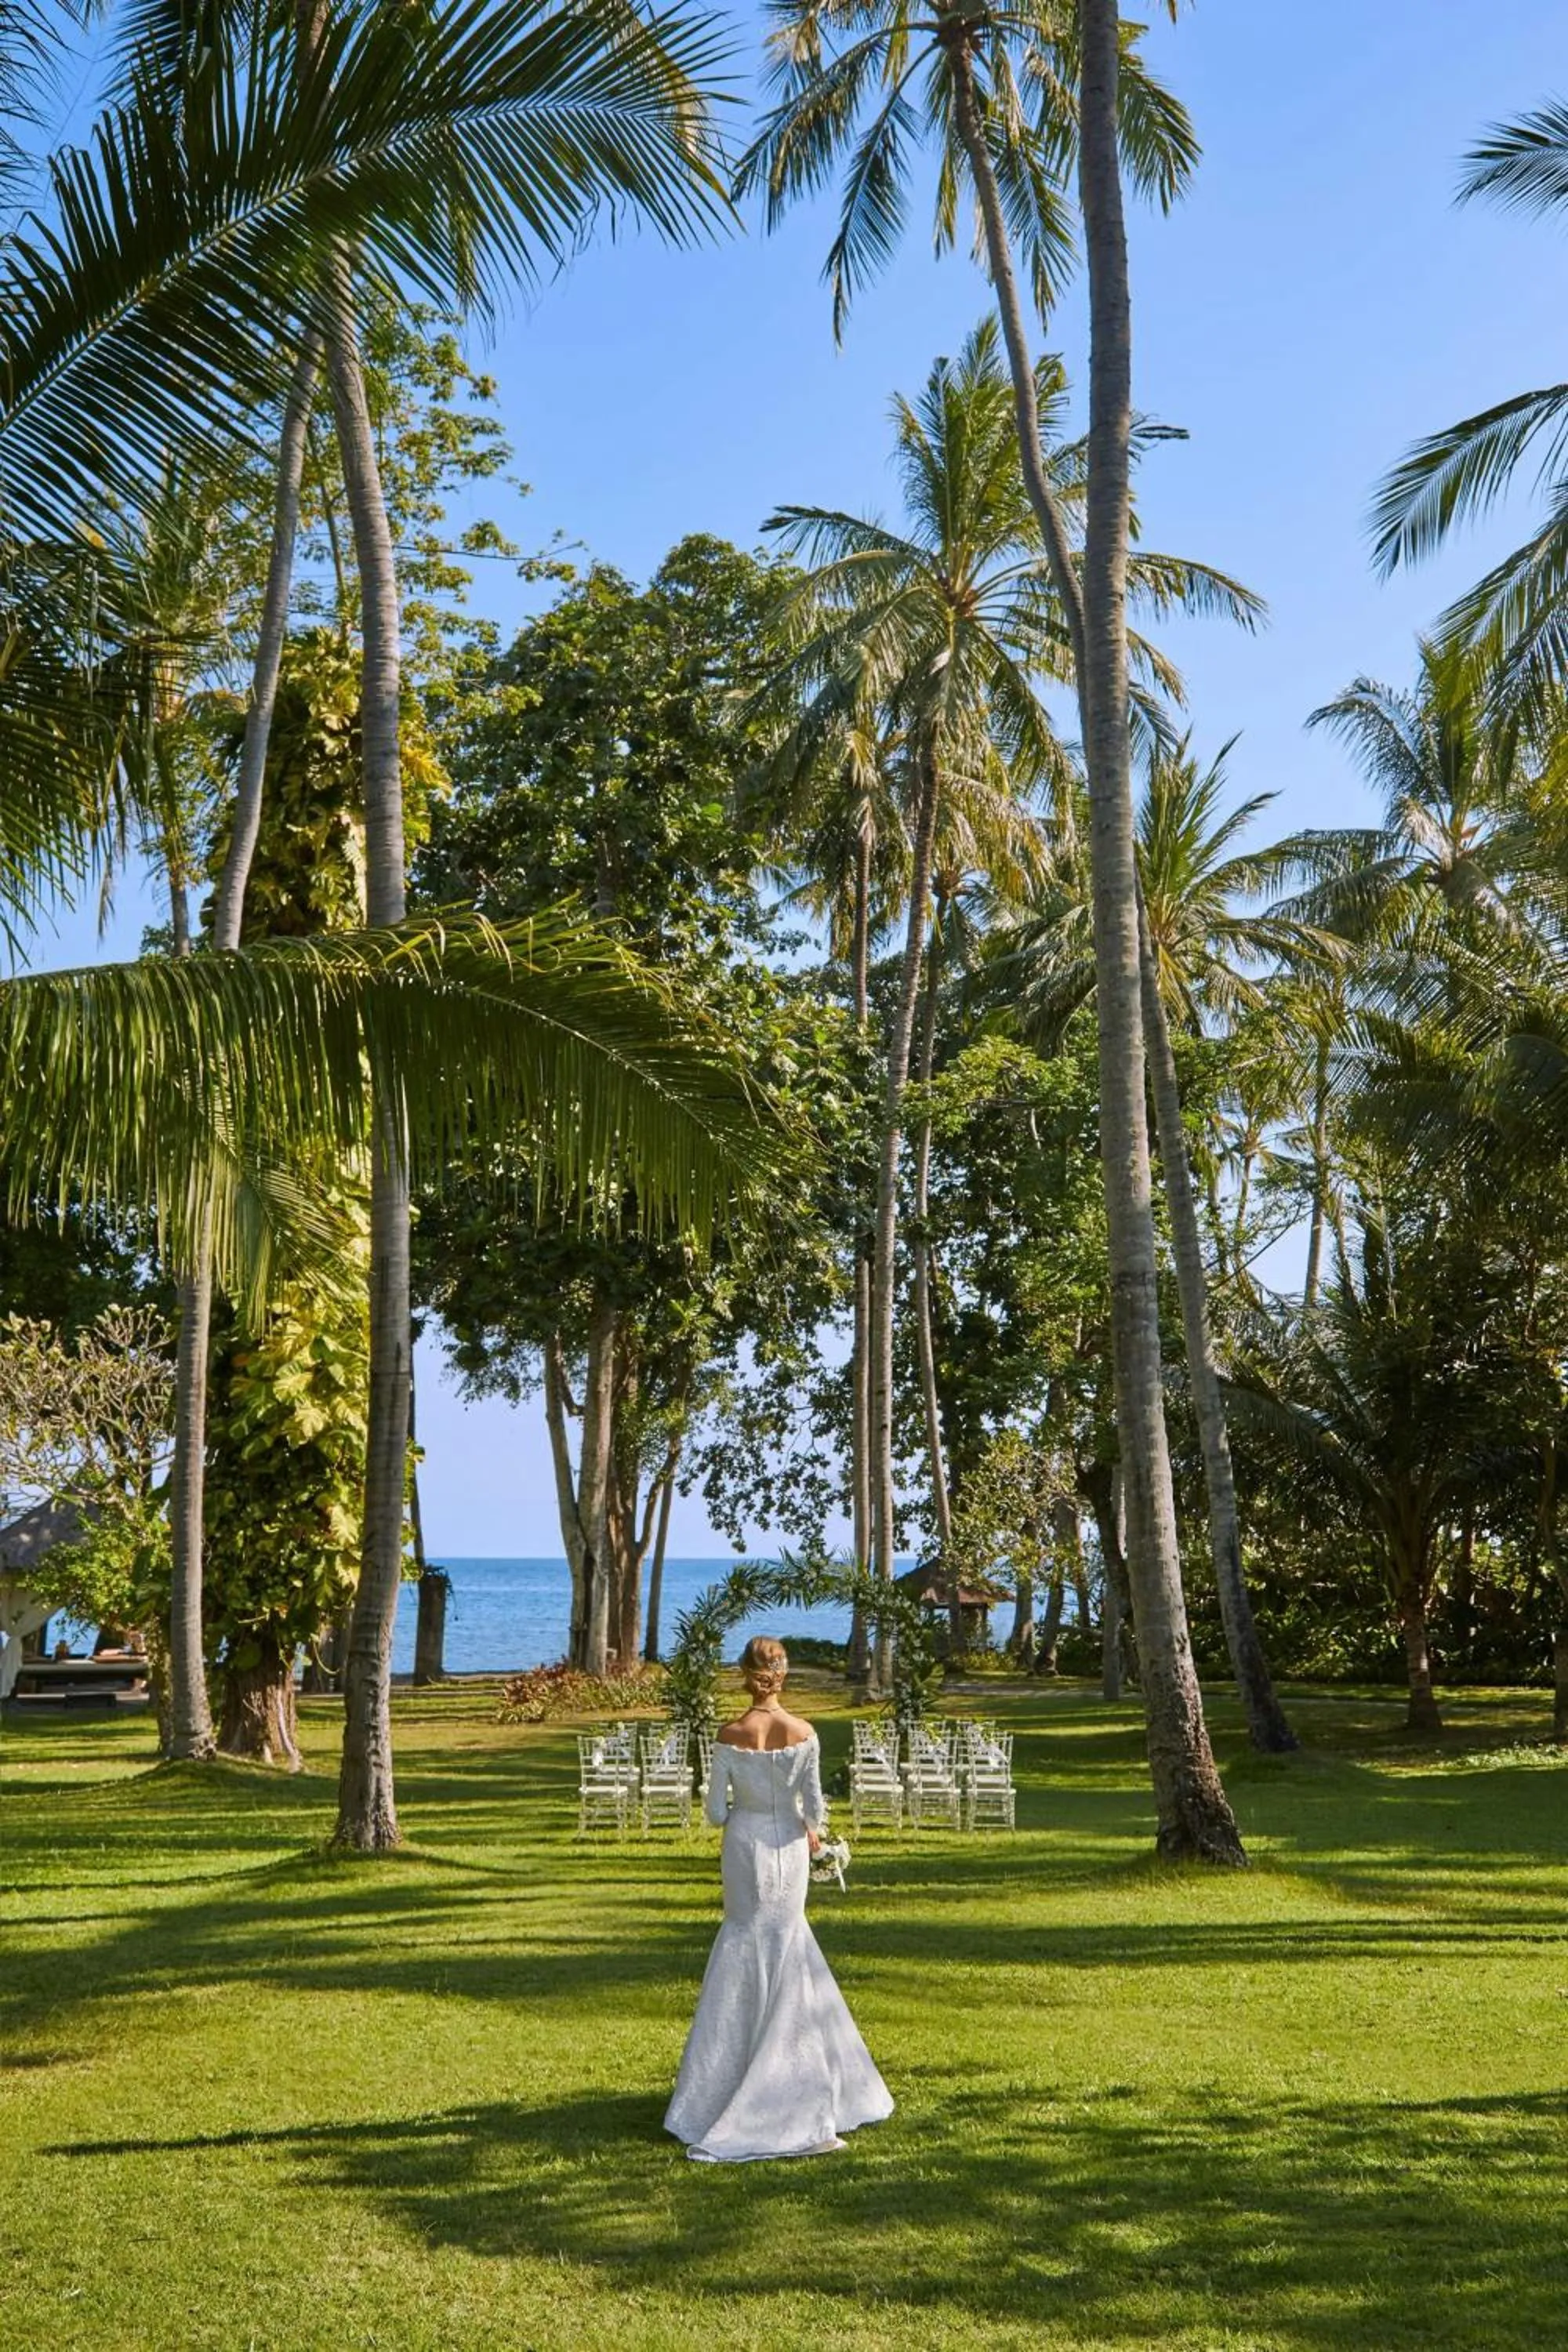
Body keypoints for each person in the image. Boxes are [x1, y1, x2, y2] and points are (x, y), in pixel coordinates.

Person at [665, 1635, 894, 2163]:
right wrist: (811, 1831)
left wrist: (736, 1802)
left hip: (743, 1845)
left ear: (745, 1675)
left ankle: (722, 2091)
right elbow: (814, 1808)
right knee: (788, 1944)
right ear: (782, 1674)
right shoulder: (804, 1733)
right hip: (789, 1848)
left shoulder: (729, 1734)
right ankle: (796, 2085)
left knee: (743, 1942)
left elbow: (717, 1815)